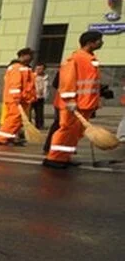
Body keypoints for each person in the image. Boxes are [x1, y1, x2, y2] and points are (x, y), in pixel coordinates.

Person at [43, 31, 103, 169]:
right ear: (90, 42)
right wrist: (70, 100)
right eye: (99, 40)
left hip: (85, 104)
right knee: (66, 130)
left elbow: (91, 83)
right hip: (73, 104)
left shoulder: (90, 58)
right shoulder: (75, 59)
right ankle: (54, 158)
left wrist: (97, 100)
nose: (101, 43)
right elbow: (67, 81)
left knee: (75, 133)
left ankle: (64, 156)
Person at [0, 59, 30, 146]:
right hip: (16, 100)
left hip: (16, 99)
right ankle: (2, 138)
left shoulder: (16, 69)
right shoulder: (17, 69)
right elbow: (16, 85)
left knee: (15, 119)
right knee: (14, 118)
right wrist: (17, 97)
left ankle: (9, 137)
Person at [32, 63, 50, 129]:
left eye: (40, 69)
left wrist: (45, 95)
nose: (38, 70)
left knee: (39, 112)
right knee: (29, 112)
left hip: (41, 97)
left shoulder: (46, 77)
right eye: (37, 69)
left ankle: (39, 125)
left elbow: (47, 87)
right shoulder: (32, 76)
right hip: (32, 96)